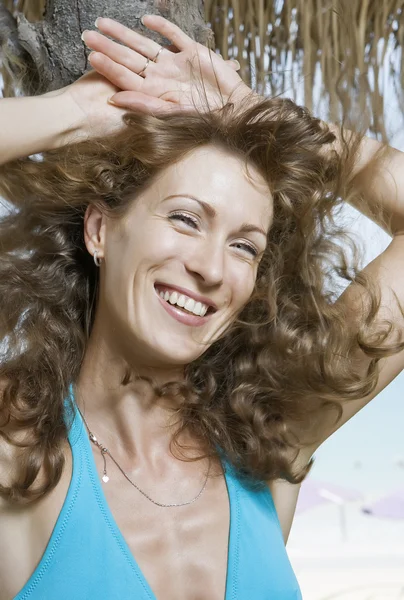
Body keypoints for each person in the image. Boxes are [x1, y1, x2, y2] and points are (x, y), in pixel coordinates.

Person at [0, 13, 403, 600]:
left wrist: (259, 116)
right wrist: (81, 115)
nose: (212, 270)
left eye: (244, 246)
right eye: (185, 218)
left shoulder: (269, 441)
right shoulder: (20, 453)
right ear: (100, 230)